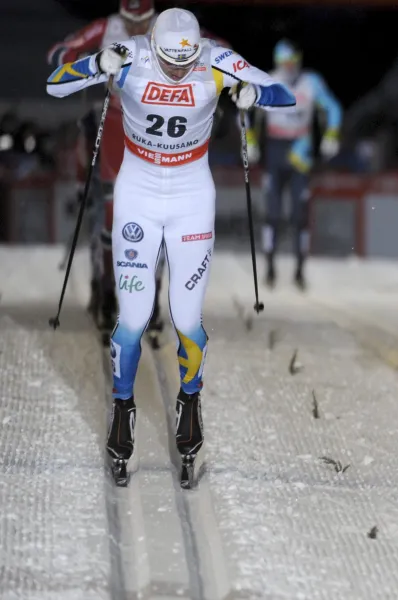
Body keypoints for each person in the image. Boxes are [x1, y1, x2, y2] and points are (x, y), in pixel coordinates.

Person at [46, 8, 296, 486]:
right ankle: (122, 409)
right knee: (133, 318)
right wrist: (97, 65)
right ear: (154, 47)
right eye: (169, 64)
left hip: (190, 199)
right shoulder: (132, 54)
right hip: (137, 195)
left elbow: (282, 92)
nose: (179, 72)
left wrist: (250, 91)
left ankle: (190, 401)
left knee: (186, 319)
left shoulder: (213, 58)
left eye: (185, 64)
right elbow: (56, 84)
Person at [48, 0, 230, 343]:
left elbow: (222, 50)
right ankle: (106, 293)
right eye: (129, 20)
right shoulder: (105, 27)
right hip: (115, 123)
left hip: (159, 129)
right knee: (113, 211)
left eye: (143, 20)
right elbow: (59, 53)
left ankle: (153, 302)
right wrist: (90, 65)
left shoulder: (172, 30)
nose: (135, 28)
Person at [246, 39, 342, 290]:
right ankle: (269, 268)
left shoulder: (311, 82)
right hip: (276, 150)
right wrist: (250, 141)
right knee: (273, 213)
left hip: (301, 150)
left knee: (300, 215)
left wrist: (331, 135)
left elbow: (333, 108)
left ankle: (299, 271)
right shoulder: (268, 80)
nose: (288, 68)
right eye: (284, 63)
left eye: (292, 62)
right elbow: (246, 112)